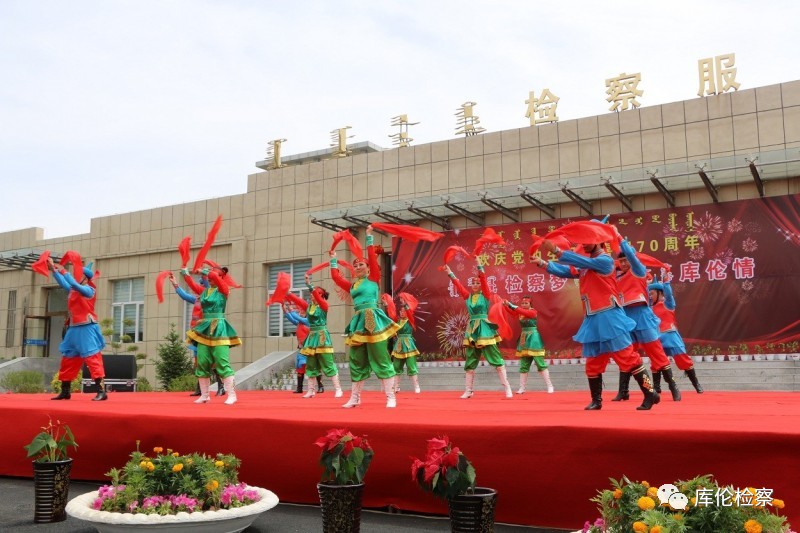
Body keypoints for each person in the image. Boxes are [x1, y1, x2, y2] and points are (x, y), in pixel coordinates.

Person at [535, 240, 660, 410]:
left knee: (627, 357)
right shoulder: (587, 264)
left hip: (610, 316)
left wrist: (557, 250)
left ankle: (650, 393)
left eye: (588, 241)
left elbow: (581, 261)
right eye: (583, 241)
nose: (584, 245)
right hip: (592, 318)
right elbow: (568, 271)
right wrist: (543, 263)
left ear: (599, 242)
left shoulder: (605, 260)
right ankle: (596, 400)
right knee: (593, 361)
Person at [330, 227, 400, 408]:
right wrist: (333, 260)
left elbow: (371, 258)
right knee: (356, 359)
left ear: (369, 268)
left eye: (361, 264)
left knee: (381, 357)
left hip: (373, 319)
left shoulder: (373, 278)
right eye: (355, 265)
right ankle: (355, 397)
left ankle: (390, 397)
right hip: (359, 322)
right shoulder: (353, 286)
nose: (357, 267)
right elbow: (336, 278)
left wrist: (369, 237)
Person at [612, 239, 681, 402]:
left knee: (656, 353)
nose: (624, 263)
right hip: (626, 318)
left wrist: (620, 241)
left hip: (642, 316)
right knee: (627, 354)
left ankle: (674, 387)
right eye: (621, 261)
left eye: (626, 260)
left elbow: (632, 257)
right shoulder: (616, 276)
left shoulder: (638, 270)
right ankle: (624, 391)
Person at [443, 257, 513, 399]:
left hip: (485, 328)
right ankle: (468, 390)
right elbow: (458, 285)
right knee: (470, 359)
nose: (475, 285)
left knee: (495, 357)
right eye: (473, 283)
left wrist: (479, 265)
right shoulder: (467, 296)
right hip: (472, 330)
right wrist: (450, 272)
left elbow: (484, 279)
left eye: (477, 283)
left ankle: (507, 387)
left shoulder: (485, 295)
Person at [48, 256, 107, 401]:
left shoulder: (89, 290)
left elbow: (73, 284)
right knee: (68, 358)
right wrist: (53, 269)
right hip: (73, 329)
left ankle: (101, 391)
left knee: (92, 358)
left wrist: (64, 272)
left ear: (86, 278)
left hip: (87, 328)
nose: (76, 277)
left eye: (79, 275)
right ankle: (65, 391)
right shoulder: (73, 290)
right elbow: (64, 283)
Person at [186, 266, 241, 405]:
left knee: (222, 362)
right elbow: (192, 285)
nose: (209, 278)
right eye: (208, 277)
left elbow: (215, 277)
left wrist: (204, 271)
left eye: (212, 276)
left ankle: (232, 395)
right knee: (202, 362)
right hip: (205, 328)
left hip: (219, 328)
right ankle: (205, 395)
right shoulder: (205, 291)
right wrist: (185, 273)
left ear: (219, 277)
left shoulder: (224, 290)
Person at [169, 270, 226, 397]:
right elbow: (184, 295)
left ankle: (221, 386)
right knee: (198, 361)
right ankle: (200, 388)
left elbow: (208, 284)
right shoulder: (197, 300)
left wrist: (203, 274)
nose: (199, 287)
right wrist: (175, 284)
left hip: (209, 333)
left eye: (203, 284)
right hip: (197, 334)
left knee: (213, 360)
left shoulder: (212, 299)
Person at [286, 276, 343, 398]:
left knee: (328, 363)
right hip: (312, 337)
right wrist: (288, 293)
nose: (312, 295)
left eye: (315, 294)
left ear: (320, 295)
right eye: (312, 293)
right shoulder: (309, 307)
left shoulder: (324, 306)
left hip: (322, 336)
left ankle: (338, 389)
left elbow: (317, 297)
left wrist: (310, 285)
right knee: (311, 364)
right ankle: (311, 390)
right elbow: (298, 301)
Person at [649, 279, 704, 394]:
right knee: (656, 361)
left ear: (660, 293)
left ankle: (696, 384)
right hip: (657, 337)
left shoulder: (668, 304)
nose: (650, 296)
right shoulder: (650, 308)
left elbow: (669, 294)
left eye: (652, 293)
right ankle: (657, 387)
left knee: (683, 359)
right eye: (649, 294)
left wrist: (666, 283)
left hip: (671, 335)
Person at [504, 296, 554, 394]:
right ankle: (522, 388)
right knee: (524, 364)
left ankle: (550, 386)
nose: (524, 305)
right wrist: (504, 305)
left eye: (526, 303)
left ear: (530, 304)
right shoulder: (520, 312)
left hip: (533, 338)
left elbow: (520, 311)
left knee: (540, 363)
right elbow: (512, 312)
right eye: (522, 303)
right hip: (524, 338)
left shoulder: (533, 312)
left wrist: (510, 304)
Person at [387, 296, 421, 394]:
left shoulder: (410, 320)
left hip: (409, 345)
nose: (401, 312)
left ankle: (416, 386)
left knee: (411, 365)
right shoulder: (398, 321)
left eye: (403, 311)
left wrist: (405, 304)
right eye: (400, 311)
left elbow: (409, 312)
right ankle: (396, 386)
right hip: (399, 345)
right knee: (396, 366)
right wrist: (388, 304)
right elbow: (392, 315)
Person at [283, 302, 311, 394]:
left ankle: (320, 386)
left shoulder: (308, 321)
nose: (301, 312)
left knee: (312, 367)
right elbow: (291, 318)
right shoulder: (300, 323)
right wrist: (285, 309)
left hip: (309, 349)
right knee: (300, 367)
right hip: (302, 349)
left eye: (303, 311)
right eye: (300, 311)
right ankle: (299, 388)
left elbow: (297, 317)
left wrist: (291, 309)